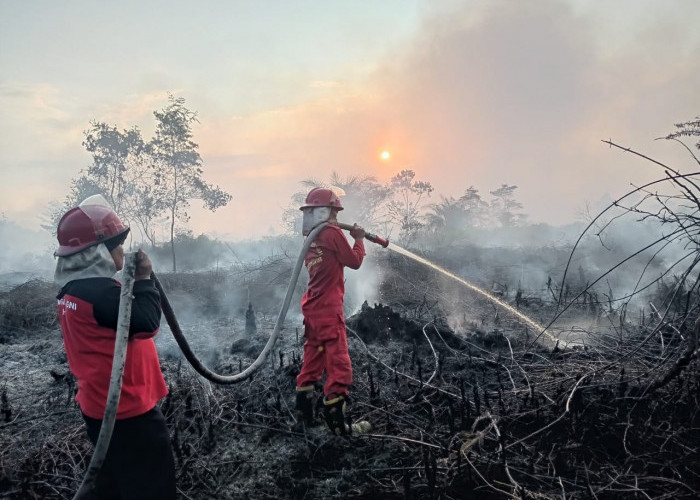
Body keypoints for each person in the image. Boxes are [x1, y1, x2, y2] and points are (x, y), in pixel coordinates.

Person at [54, 195, 175, 499]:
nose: (121, 249)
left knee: (114, 482)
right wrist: (145, 278)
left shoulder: (72, 289)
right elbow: (147, 321)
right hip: (128, 412)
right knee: (151, 487)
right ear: (95, 252)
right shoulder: (101, 293)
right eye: (115, 244)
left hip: (100, 407)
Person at [295, 187, 370, 435]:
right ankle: (339, 428)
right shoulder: (332, 233)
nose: (337, 218)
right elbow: (355, 262)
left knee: (313, 359)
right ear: (326, 213)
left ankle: (305, 419)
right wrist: (359, 239)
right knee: (340, 367)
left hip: (312, 309)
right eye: (335, 213)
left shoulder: (310, 237)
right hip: (328, 310)